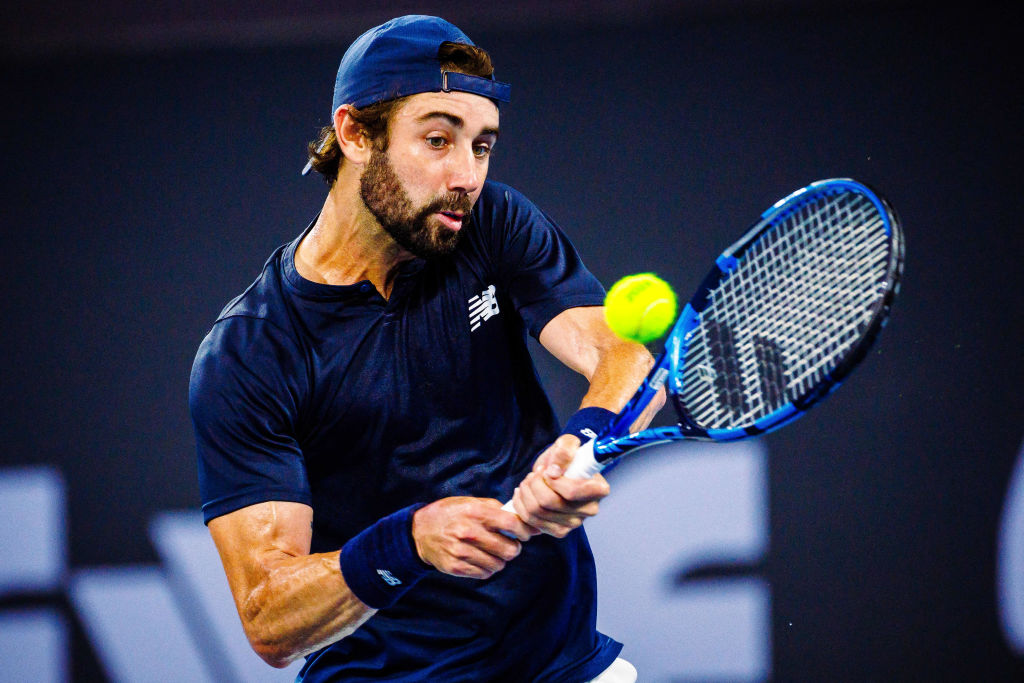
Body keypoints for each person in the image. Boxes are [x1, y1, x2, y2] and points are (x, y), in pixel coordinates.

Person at [189, 15, 660, 682]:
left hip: (562, 668)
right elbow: (270, 619)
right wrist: (406, 544)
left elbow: (624, 355)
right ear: (355, 134)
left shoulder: (492, 223)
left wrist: (582, 444)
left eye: (483, 146)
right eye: (438, 139)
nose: (467, 174)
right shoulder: (250, 354)